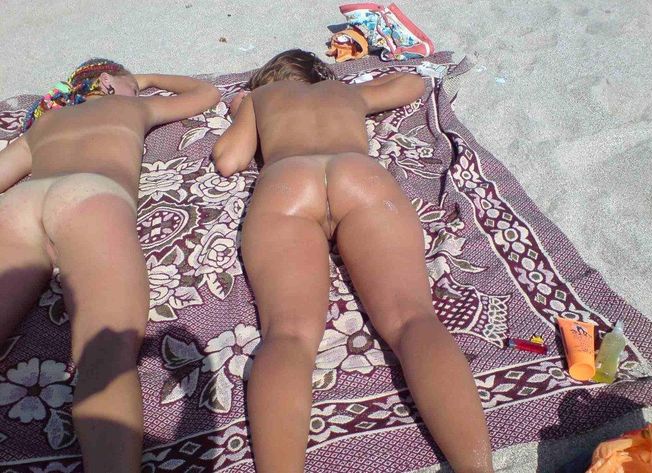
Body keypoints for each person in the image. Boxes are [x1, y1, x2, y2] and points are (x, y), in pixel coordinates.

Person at [213, 49, 494, 472]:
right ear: (319, 77)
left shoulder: (261, 99)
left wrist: (242, 111)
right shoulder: (344, 93)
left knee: (288, 334)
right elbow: (413, 84)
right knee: (413, 319)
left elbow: (229, 160)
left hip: (288, 182)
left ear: (268, 79)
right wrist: (359, 88)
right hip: (358, 175)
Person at [0, 58, 220, 472]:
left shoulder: (44, 126)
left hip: (19, 205)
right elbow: (206, 94)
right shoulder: (130, 107)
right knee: (104, 355)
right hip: (90, 196)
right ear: (108, 82)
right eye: (132, 85)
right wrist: (146, 79)